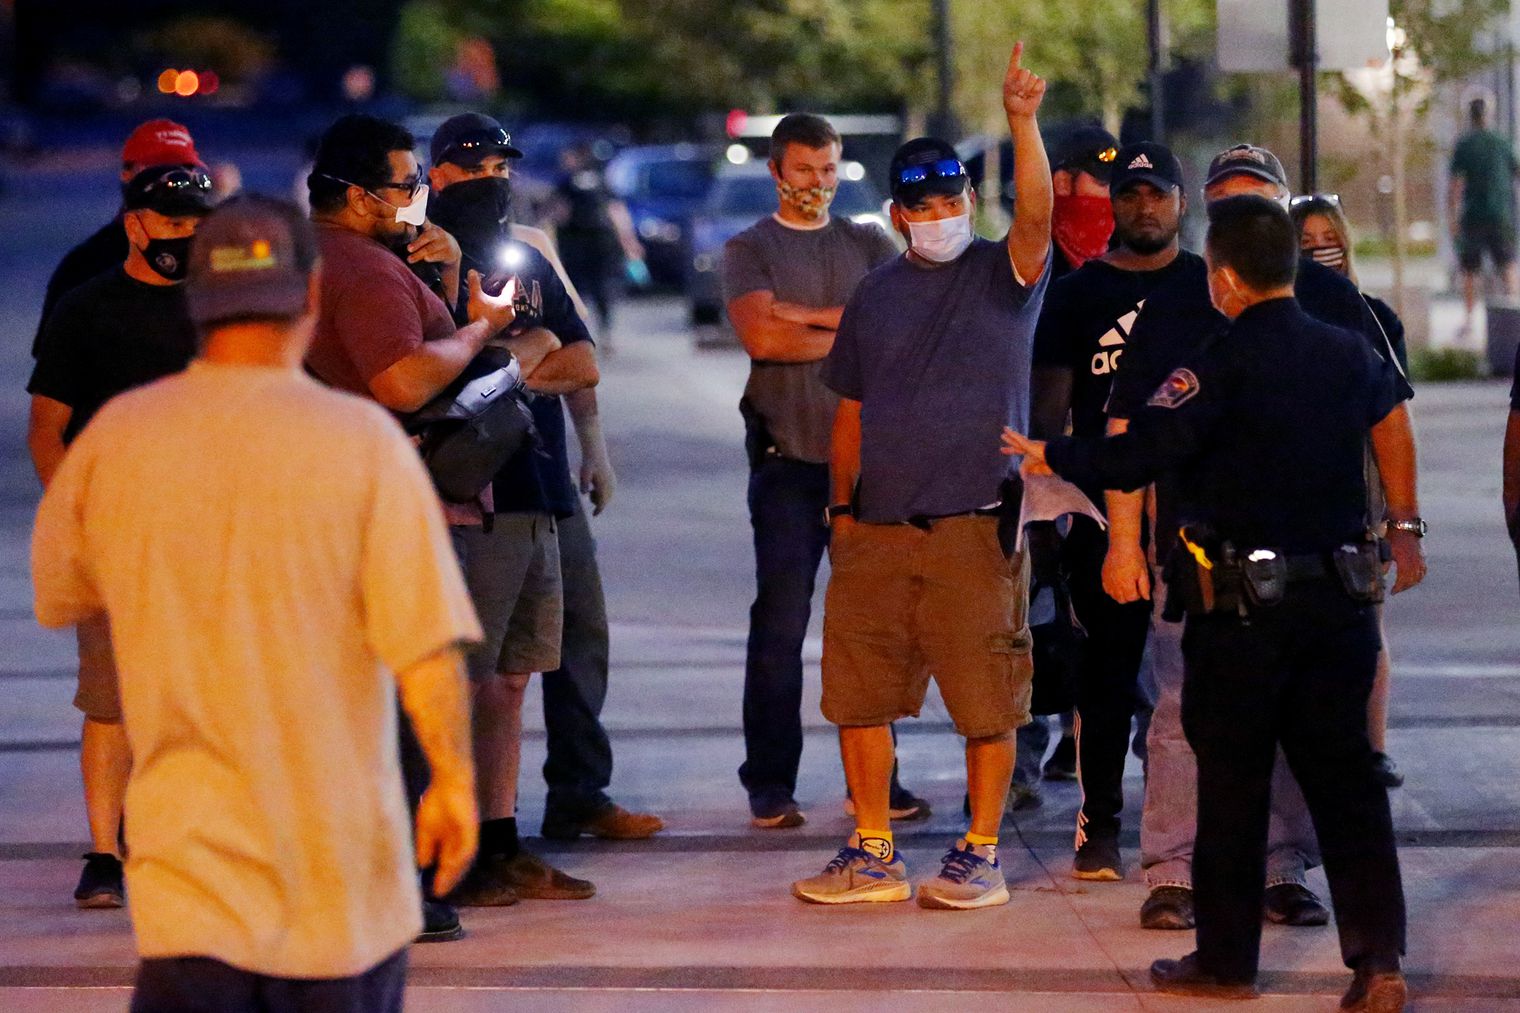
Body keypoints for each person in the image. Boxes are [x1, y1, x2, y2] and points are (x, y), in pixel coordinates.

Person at [32, 195, 482, 1013]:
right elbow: (425, 647)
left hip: (189, 879)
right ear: (308, 297)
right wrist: (453, 780)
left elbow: (63, 589)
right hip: (341, 884)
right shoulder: (364, 443)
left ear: (197, 300)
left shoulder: (117, 440)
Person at [1004, 193, 1417, 1013]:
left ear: (1223, 278)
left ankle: (1227, 960)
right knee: (1350, 784)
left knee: (1230, 783)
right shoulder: (1343, 352)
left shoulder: (1212, 364)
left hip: (1240, 614)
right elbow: (1393, 421)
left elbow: (1142, 453)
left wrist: (1049, 450)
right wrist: (1405, 525)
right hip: (1338, 608)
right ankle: (1378, 959)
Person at [1103, 142, 1424, 932]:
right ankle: (1176, 870)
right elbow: (1127, 426)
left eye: (1259, 200)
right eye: (1228, 202)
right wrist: (1121, 542)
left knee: (1303, 738)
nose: (1243, 215)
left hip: (1319, 568)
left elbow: (1389, 416)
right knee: (1183, 712)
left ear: (1289, 210)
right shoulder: (1180, 303)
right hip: (1205, 562)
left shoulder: (1336, 304)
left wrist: (1402, 526)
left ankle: (1281, 873)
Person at [790, 42, 1051, 910]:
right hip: (877, 530)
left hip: (974, 526)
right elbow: (853, 407)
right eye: (923, 203)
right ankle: (873, 849)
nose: (939, 213)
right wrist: (842, 511)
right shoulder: (877, 293)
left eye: (952, 199)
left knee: (988, 699)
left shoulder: (1004, 274)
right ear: (900, 215)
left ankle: (979, 851)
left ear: (971, 201)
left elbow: (1041, 217)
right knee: (858, 693)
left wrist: (1022, 122)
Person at [301, 113, 544, 937]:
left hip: (330, 500)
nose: (416, 199)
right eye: (406, 185)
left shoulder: (312, 261)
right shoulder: (363, 270)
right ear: (358, 195)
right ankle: (408, 878)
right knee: (407, 697)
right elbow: (403, 379)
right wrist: (482, 329)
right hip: (390, 504)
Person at [426, 112, 663, 844]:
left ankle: (579, 791)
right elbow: (426, 374)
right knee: (483, 664)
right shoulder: (420, 253)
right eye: (472, 169)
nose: (489, 182)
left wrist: (594, 446)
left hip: (544, 465)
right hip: (465, 482)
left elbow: (580, 356)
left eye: (499, 169)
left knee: (577, 632)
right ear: (436, 176)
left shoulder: (526, 247)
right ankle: (463, 825)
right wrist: (525, 354)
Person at [722, 112, 927, 829]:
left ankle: (879, 781)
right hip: (787, 463)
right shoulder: (750, 250)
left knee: (871, 629)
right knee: (781, 624)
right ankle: (771, 781)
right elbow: (762, 338)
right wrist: (850, 326)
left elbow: (898, 328)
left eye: (830, 168)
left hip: (871, 471)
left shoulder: (869, 240)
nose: (820, 183)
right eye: (805, 169)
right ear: (778, 172)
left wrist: (805, 315)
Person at [27, 162, 215, 908]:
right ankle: (104, 851)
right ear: (134, 223)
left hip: (210, 536)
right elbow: (48, 430)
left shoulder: (220, 309)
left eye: (198, 222)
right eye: (172, 223)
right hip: (121, 534)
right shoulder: (86, 308)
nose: (186, 236)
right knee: (112, 698)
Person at [1031, 141, 1195, 881]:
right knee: (1105, 675)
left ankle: (1197, 832)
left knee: (1193, 685)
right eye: (1129, 195)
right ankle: (1100, 824)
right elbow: (1049, 412)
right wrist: (1048, 510)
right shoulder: (1076, 295)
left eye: (1156, 193)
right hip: (1101, 515)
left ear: (1180, 202)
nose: (1143, 207)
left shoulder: (1205, 287)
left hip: (1193, 512)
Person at [1292, 193, 1410, 789]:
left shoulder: (1374, 318)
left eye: (1328, 239)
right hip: (1299, 506)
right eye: (1304, 242)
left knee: (1367, 627)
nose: (1318, 252)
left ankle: (1373, 746)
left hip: (1358, 500)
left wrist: (1400, 520)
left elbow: (1391, 420)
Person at [33, 119, 202, 354]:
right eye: (156, 169)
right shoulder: (84, 266)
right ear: (126, 174)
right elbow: (53, 368)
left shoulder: (206, 257)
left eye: (182, 171)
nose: (170, 180)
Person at [551, 142, 645, 343]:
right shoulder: (602, 182)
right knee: (602, 288)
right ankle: (605, 331)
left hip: (576, 242)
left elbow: (560, 213)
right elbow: (617, 212)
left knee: (575, 288)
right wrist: (629, 241)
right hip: (603, 241)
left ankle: (576, 334)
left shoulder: (567, 183)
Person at [1448, 96, 1520, 333]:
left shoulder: (1465, 145)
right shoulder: (1502, 142)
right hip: (1500, 214)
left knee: (1470, 269)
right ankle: (1515, 313)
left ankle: (1469, 320)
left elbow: (1456, 186)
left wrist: (1453, 218)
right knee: (1507, 264)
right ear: (1489, 114)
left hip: (1474, 216)